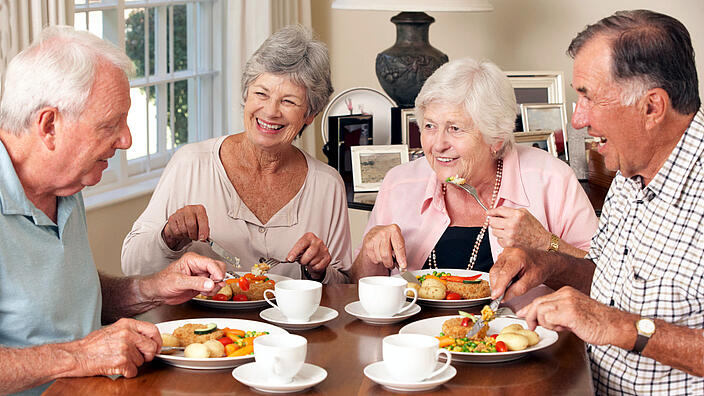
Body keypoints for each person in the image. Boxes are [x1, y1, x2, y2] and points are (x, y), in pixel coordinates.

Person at [0, 26, 230, 395]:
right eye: (110, 124)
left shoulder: (66, 186)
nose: (126, 140)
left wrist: (152, 289)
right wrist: (79, 356)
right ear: (49, 126)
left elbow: (69, 302)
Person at [489, 10, 704, 394]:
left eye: (588, 97)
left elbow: (614, 318)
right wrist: (546, 265)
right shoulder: (627, 167)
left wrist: (622, 327)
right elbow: (609, 284)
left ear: (652, 107)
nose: (576, 119)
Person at [121, 25, 351, 283]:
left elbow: (342, 286)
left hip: (290, 324)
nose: (271, 111)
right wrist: (169, 238)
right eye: (261, 94)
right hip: (199, 321)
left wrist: (319, 272)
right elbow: (133, 265)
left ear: (310, 114)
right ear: (246, 94)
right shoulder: (191, 164)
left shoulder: (327, 185)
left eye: (288, 101)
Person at [351, 57, 598, 281]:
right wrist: (371, 252)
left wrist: (546, 242)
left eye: (455, 129)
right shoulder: (399, 183)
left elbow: (601, 279)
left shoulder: (552, 179)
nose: (438, 145)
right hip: (412, 331)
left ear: (497, 138)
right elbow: (358, 286)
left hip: (520, 329)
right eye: (429, 126)